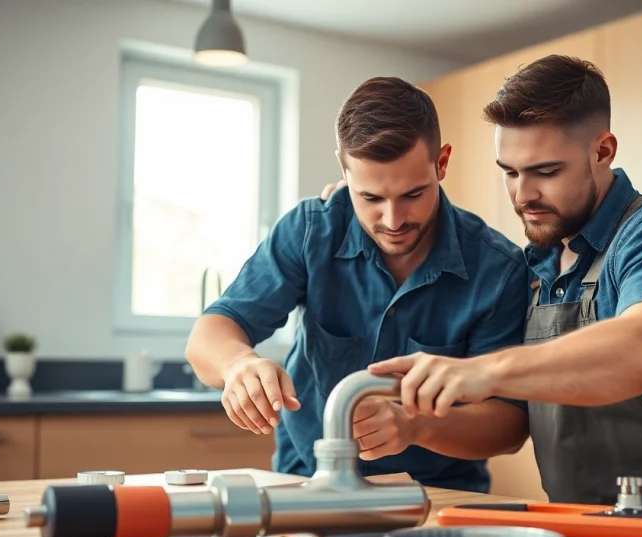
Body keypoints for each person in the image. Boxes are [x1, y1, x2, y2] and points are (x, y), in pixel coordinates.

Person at [363, 55, 642, 516]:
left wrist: (488, 369)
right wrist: (414, 426)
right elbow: (511, 424)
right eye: (509, 172)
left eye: (545, 172)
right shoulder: (534, 269)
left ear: (603, 151)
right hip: (583, 531)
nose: (522, 194)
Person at [185, 76, 531, 494]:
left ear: (441, 163)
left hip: (438, 494)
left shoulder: (499, 269)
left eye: (413, 194)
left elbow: (508, 426)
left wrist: (415, 425)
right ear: (343, 170)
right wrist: (237, 365)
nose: (393, 220)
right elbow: (212, 333)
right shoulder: (311, 230)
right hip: (305, 481)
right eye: (369, 198)